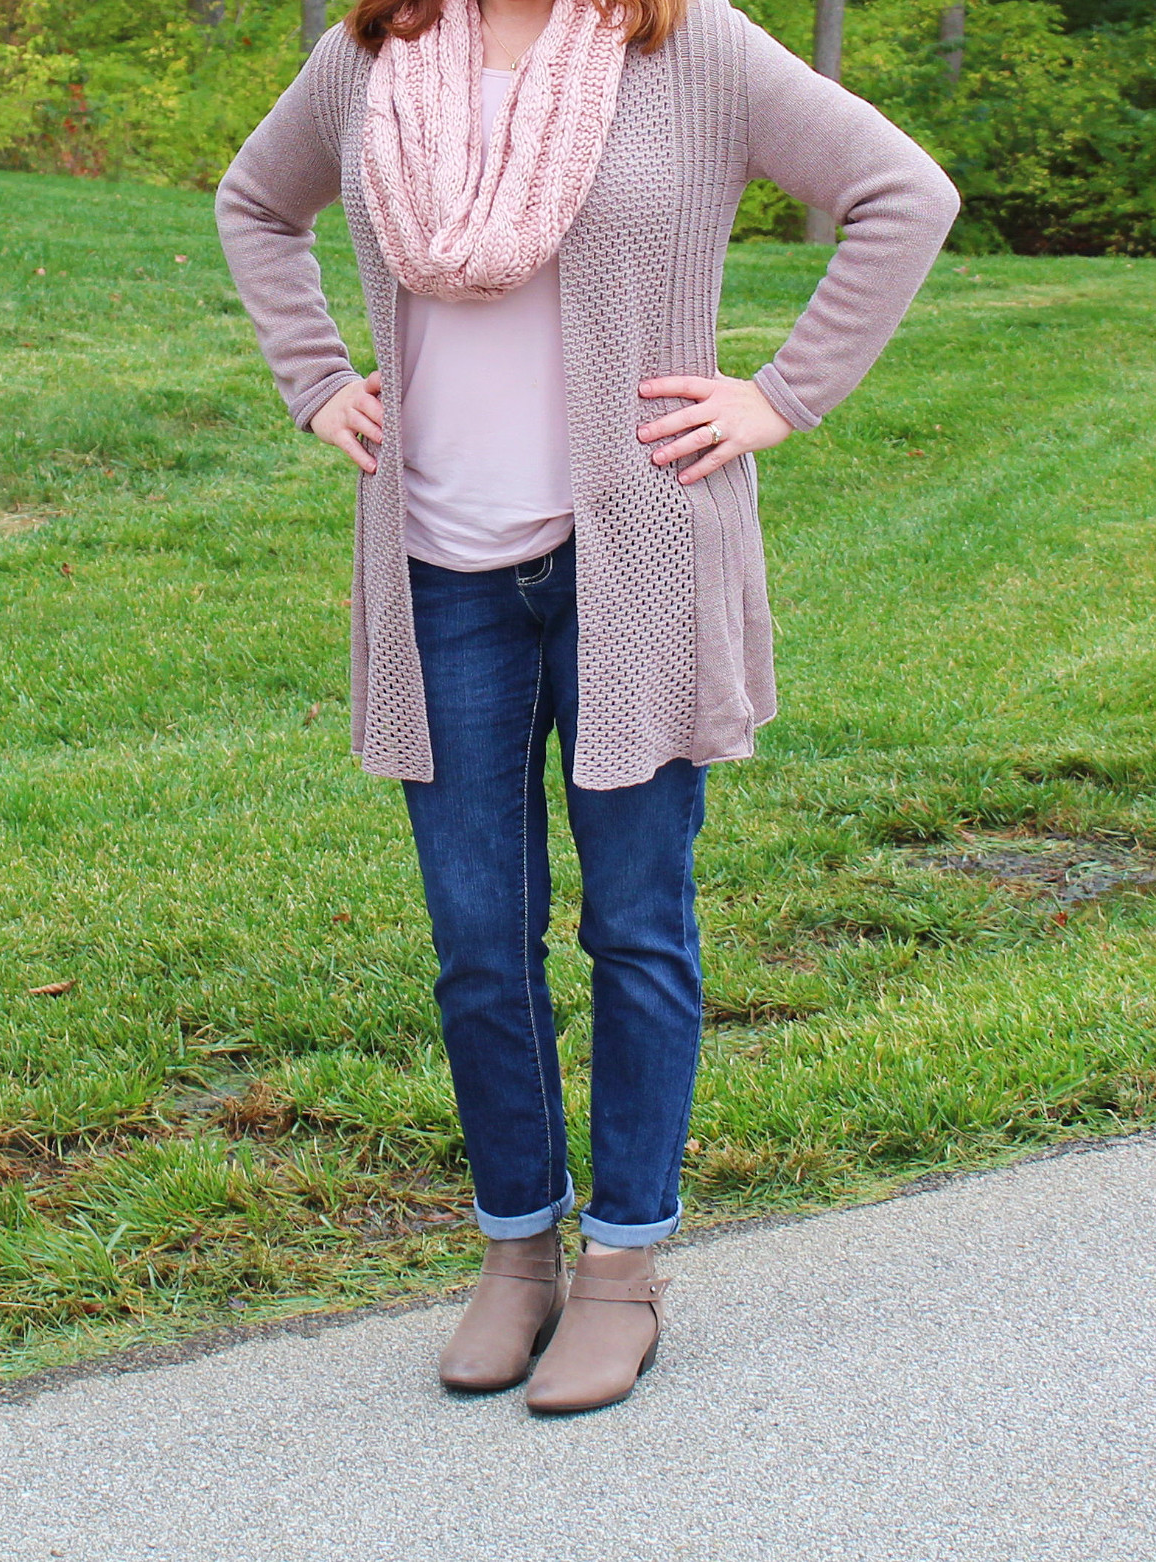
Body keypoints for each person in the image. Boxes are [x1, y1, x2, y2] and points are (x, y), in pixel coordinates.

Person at [215, 0, 960, 1414]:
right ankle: (514, 1254)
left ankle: (620, 1264)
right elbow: (255, 200)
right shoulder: (374, 51)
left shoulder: (686, 47)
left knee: (633, 920)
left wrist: (779, 397)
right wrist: (315, 380)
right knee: (476, 942)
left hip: (633, 555)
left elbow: (901, 195)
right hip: (437, 564)